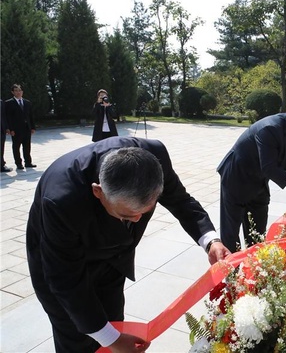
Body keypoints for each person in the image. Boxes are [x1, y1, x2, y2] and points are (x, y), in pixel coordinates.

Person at [26, 136, 230, 352]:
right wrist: (110, 338)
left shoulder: (154, 158)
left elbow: (181, 201)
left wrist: (211, 241)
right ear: (98, 191)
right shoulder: (61, 199)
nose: (137, 221)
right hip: (58, 261)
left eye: (145, 212)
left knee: (114, 321)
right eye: (127, 215)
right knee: (77, 334)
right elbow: (65, 279)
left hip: (113, 259)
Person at [217, 102, 286, 252]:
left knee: (257, 232)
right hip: (237, 179)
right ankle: (232, 273)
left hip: (259, 182)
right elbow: (270, 169)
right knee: (231, 233)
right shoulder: (270, 129)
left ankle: (253, 269)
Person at [5, 84, 36, 170]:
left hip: (26, 128)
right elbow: (8, 117)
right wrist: (10, 129)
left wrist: (33, 127)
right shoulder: (9, 103)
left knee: (27, 146)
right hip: (16, 129)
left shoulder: (27, 102)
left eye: (20, 91)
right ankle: (18, 163)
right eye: (16, 91)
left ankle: (28, 162)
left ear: (22, 92)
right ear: (12, 92)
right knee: (16, 147)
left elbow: (31, 116)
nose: (18, 92)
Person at [1, 100, 12, 172]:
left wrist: (7, 127)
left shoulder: (1, 102)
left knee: (1, 147)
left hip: (1, 129)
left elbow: (4, 115)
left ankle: (1, 165)